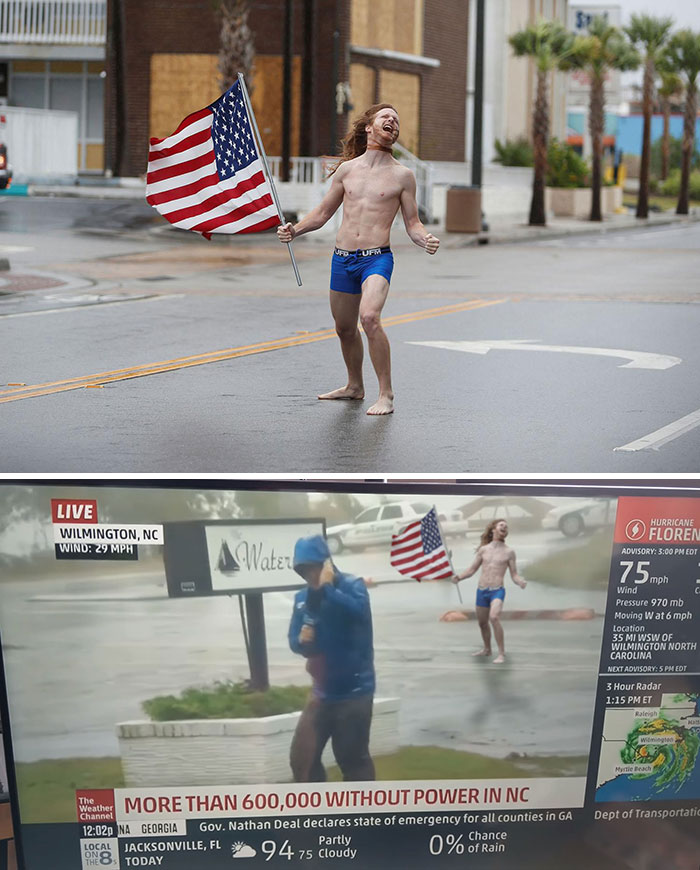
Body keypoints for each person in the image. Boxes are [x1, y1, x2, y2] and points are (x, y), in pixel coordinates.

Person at [277, 103, 440, 415]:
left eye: (396, 119)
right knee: (344, 328)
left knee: (369, 318)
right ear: (369, 127)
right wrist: (294, 230)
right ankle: (354, 386)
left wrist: (425, 239)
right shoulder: (347, 171)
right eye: (385, 117)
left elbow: (413, 223)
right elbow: (323, 213)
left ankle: (386, 394)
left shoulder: (403, 176)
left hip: (376, 259)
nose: (392, 121)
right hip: (342, 259)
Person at [288, 534, 375, 782]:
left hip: (355, 691)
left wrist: (327, 589)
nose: (309, 576)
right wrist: (301, 641)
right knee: (301, 759)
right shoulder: (301, 599)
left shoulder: (352, 586)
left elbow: (358, 613)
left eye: (313, 568)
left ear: (326, 565)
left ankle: (362, 815)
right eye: (303, 571)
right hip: (321, 693)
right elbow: (294, 641)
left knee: (352, 759)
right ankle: (319, 812)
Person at [452, 519, 526, 664]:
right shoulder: (483, 550)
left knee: (494, 617)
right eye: (501, 525)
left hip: (497, 591)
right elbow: (472, 570)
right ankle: (487, 649)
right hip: (482, 591)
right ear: (493, 530)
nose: (504, 526)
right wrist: (459, 577)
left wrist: (520, 582)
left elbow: (514, 574)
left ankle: (501, 654)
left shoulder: (509, 552)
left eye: (506, 526)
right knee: (482, 623)